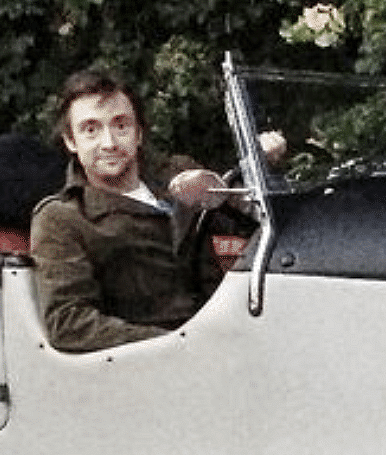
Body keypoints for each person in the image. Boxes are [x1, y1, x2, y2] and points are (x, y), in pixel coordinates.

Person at [30, 69, 243, 353]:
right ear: (71, 141)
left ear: (139, 132)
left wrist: (258, 169)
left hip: (229, 336)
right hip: (147, 362)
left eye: (121, 125)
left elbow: (243, 220)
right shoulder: (63, 217)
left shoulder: (179, 175)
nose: (109, 143)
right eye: (91, 130)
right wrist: (176, 344)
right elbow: (69, 323)